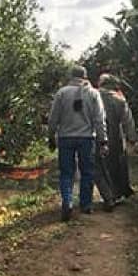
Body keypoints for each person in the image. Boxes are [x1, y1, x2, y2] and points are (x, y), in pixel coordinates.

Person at [47, 65, 109, 222]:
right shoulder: (94, 93)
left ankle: (67, 203)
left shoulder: (61, 93)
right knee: (87, 172)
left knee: (66, 172)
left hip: (65, 138)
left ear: (71, 76)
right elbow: (99, 119)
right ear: (85, 76)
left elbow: (53, 118)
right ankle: (85, 204)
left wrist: (51, 136)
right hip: (86, 138)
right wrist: (103, 140)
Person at [94, 73, 138, 211]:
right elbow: (127, 121)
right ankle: (118, 192)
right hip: (115, 136)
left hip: (96, 135)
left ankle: (108, 195)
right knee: (116, 163)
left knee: (101, 165)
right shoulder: (119, 99)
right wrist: (132, 138)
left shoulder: (93, 95)